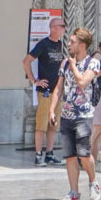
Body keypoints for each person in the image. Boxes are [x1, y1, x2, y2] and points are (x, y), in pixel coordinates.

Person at [54, 28, 101, 200]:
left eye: (72, 42)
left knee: (84, 154)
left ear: (82, 45)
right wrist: (53, 109)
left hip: (84, 114)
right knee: (70, 156)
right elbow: (59, 88)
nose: (68, 44)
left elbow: (82, 82)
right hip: (67, 115)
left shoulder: (93, 63)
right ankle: (74, 192)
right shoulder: (64, 64)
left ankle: (93, 182)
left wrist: (74, 65)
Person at [22, 13, 67, 166]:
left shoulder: (61, 45)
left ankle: (50, 153)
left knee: (53, 124)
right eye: (62, 26)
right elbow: (26, 61)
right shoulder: (43, 44)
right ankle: (38, 154)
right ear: (54, 28)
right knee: (41, 124)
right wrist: (35, 81)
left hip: (57, 91)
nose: (64, 29)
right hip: (46, 91)